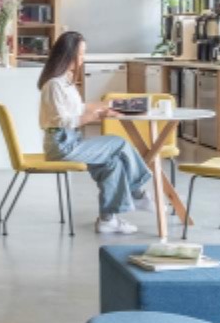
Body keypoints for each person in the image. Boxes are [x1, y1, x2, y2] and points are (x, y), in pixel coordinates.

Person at [34, 32, 153, 236]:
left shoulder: (65, 81)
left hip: (70, 141)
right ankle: (138, 192)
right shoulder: (54, 84)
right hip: (62, 145)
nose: (82, 58)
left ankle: (108, 220)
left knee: (112, 163)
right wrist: (97, 116)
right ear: (67, 54)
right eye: (80, 54)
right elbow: (63, 120)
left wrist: (109, 106)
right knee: (119, 143)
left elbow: (79, 108)